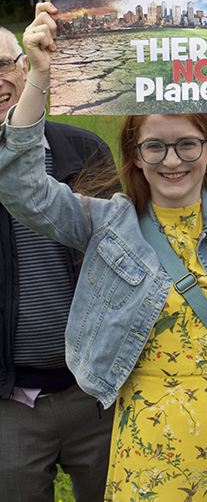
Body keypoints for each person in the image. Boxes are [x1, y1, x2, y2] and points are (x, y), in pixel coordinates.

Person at [0, 4, 207, 500]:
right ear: (133, 153)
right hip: (150, 455)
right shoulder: (107, 223)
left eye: (188, 146)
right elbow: (22, 189)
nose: (172, 161)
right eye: (155, 147)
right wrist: (37, 79)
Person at [0, 26, 116, 501]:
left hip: (97, 395)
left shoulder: (85, 150)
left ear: (25, 67)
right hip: (10, 403)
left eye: (2, 64)